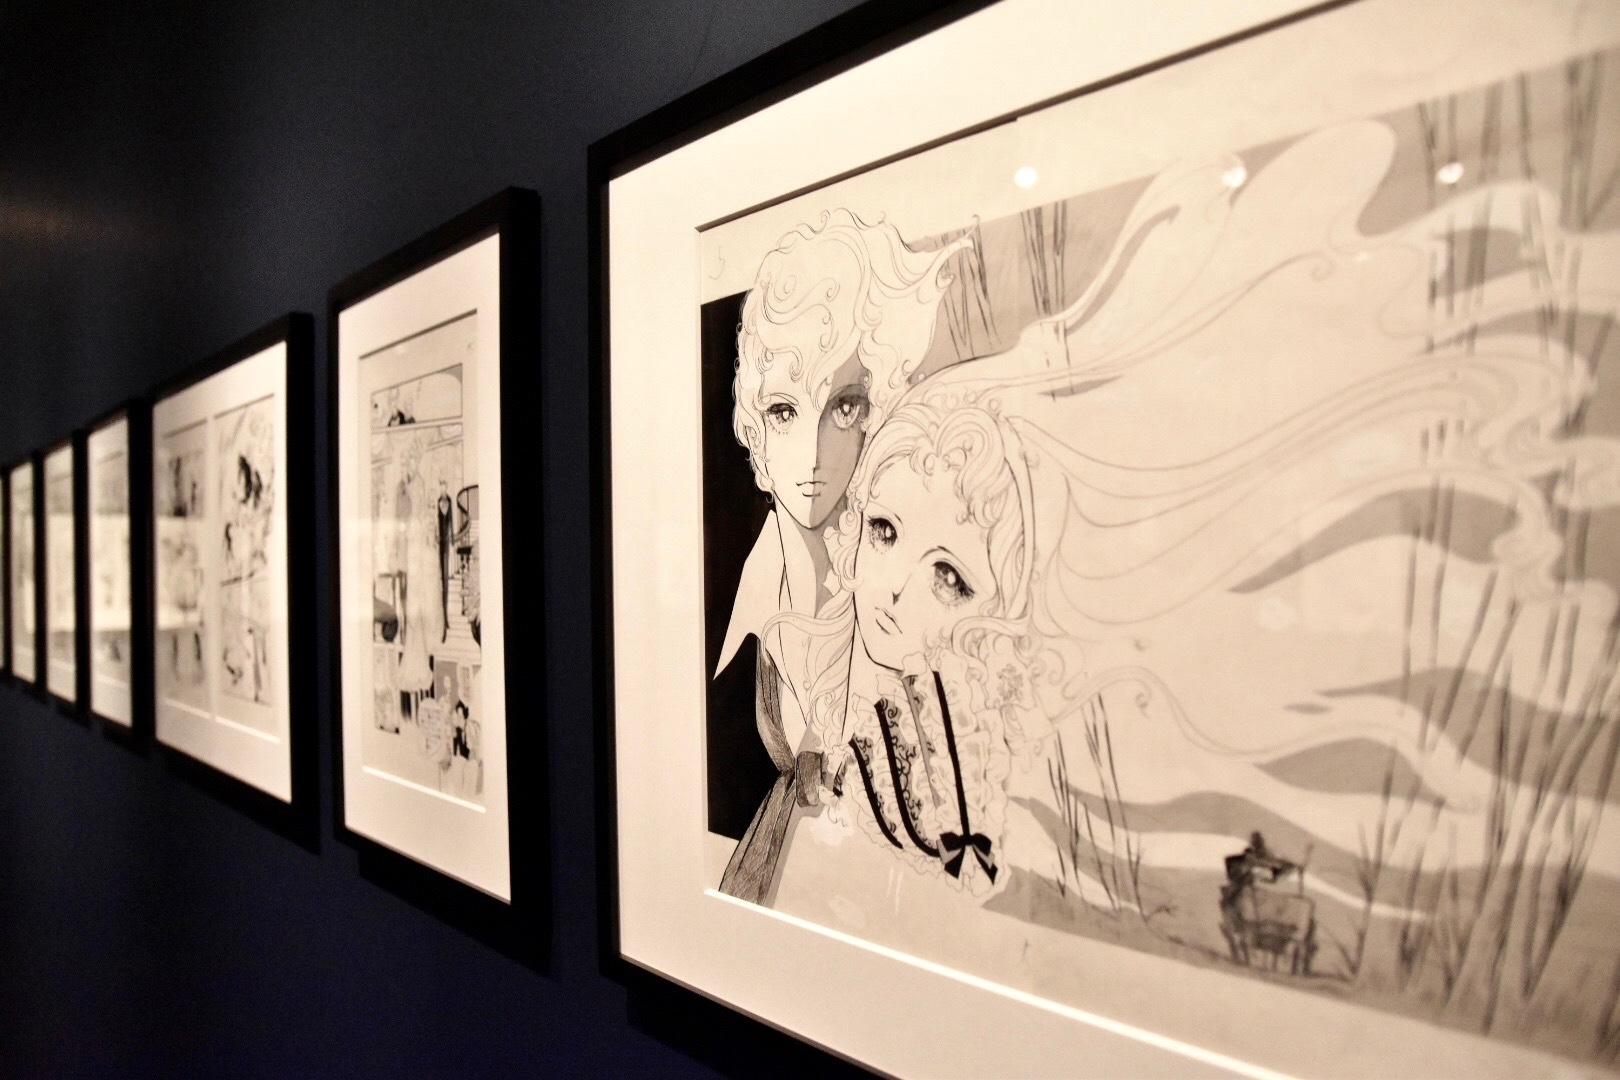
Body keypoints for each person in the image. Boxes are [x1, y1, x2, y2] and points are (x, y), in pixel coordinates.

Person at [714, 209, 970, 904]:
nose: (812, 456)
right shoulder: (730, 609)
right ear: (754, 426)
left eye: (844, 407)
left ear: (876, 410)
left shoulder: (899, 601)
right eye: (785, 411)